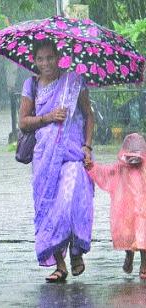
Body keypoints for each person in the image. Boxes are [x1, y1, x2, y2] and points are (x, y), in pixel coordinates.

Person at [18, 38, 94, 282]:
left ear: (58, 56)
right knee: (50, 207)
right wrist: (49, 117)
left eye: (50, 57)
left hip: (72, 154)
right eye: (40, 59)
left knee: (70, 201)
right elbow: (23, 122)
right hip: (44, 158)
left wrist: (87, 147)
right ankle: (60, 265)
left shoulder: (73, 82)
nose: (46, 63)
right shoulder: (31, 85)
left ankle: (75, 251)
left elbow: (89, 117)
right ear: (34, 61)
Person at [85, 133, 146, 280]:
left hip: (142, 212)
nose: (133, 158)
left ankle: (144, 265)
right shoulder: (120, 168)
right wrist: (92, 167)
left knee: (143, 237)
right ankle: (129, 255)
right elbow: (105, 173)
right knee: (128, 237)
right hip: (126, 213)